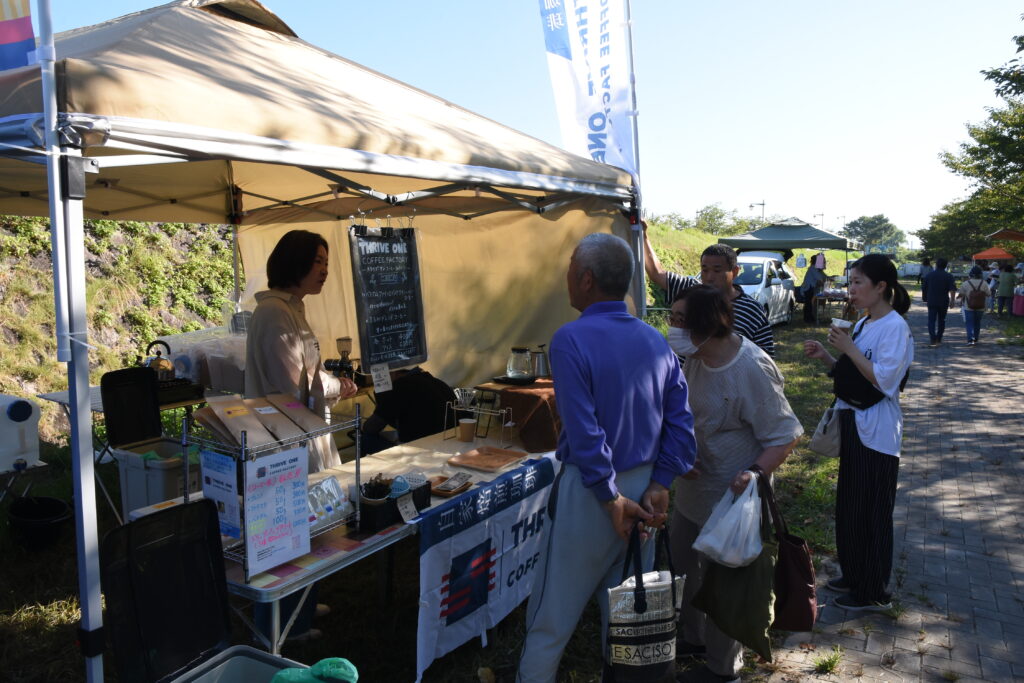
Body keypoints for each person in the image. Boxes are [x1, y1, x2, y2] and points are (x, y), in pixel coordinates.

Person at [517, 233, 696, 683]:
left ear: (587, 279)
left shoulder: (570, 339)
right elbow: (681, 424)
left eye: (570, 268)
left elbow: (583, 429)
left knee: (549, 620)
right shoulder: (655, 341)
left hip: (594, 493)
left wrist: (609, 498)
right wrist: (660, 483)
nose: (567, 278)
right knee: (625, 619)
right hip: (645, 491)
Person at [667, 285, 802, 683]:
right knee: (684, 567)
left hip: (732, 501)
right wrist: (680, 451)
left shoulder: (750, 368)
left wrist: (755, 473)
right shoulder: (692, 358)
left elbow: (785, 433)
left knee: (725, 582)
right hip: (692, 493)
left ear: (704, 326)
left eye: (678, 320)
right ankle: (695, 639)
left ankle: (723, 670)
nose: (671, 327)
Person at [244, 229, 359, 643]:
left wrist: (329, 382)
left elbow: (306, 375)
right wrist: (338, 387)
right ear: (295, 263)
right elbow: (292, 386)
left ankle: (303, 603)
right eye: (318, 263)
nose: (325, 271)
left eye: (326, 263)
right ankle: (284, 623)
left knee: (304, 524)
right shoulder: (275, 313)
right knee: (288, 528)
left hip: (299, 432)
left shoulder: (291, 309)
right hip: (284, 438)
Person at [804, 254, 913, 612]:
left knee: (872, 511)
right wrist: (828, 358)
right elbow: (853, 372)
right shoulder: (866, 323)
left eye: (857, 283)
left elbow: (883, 380)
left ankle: (872, 590)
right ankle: (853, 573)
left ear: (881, 287)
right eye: (850, 283)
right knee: (850, 505)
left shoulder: (894, 327)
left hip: (878, 432)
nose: (851, 290)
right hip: (853, 423)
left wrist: (848, 347)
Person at [642, 222, 774, 356]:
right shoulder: (690, 291)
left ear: (734, 272)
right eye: (704, 270)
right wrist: (643, 235)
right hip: (684, 375)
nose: (709, 277)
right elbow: (656, 274)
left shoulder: (753, 310)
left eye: (717, 270)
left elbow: (764, 356)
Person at [359, 366, 454, 454]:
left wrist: (382, 395)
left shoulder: (399, 388)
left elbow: (370, 428)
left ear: (393, 371)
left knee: (365, 440)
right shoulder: (436, 382)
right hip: (450, 444)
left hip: (422, 451)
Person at [920, 257, 957, 346]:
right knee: (942, 320)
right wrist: (952, 301)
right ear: (945, 266)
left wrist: (925, 298)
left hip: (931, 300)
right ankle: (939, 338)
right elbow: (952, 289)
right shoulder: (949, 276)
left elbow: (924, 288)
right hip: (943, 301)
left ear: (936, 265)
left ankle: (933, 338)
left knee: (931, 320)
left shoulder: (929, 275)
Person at [955, 265, 990, 346]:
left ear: (971, 274)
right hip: (981, 307)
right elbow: (988, 294)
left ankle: (970, 339)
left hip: (968, 307)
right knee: (977, 322)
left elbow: (961, 294)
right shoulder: (984, 283)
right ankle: (976, 338)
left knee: (969, 323)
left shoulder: (966, 283)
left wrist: (957, 297)